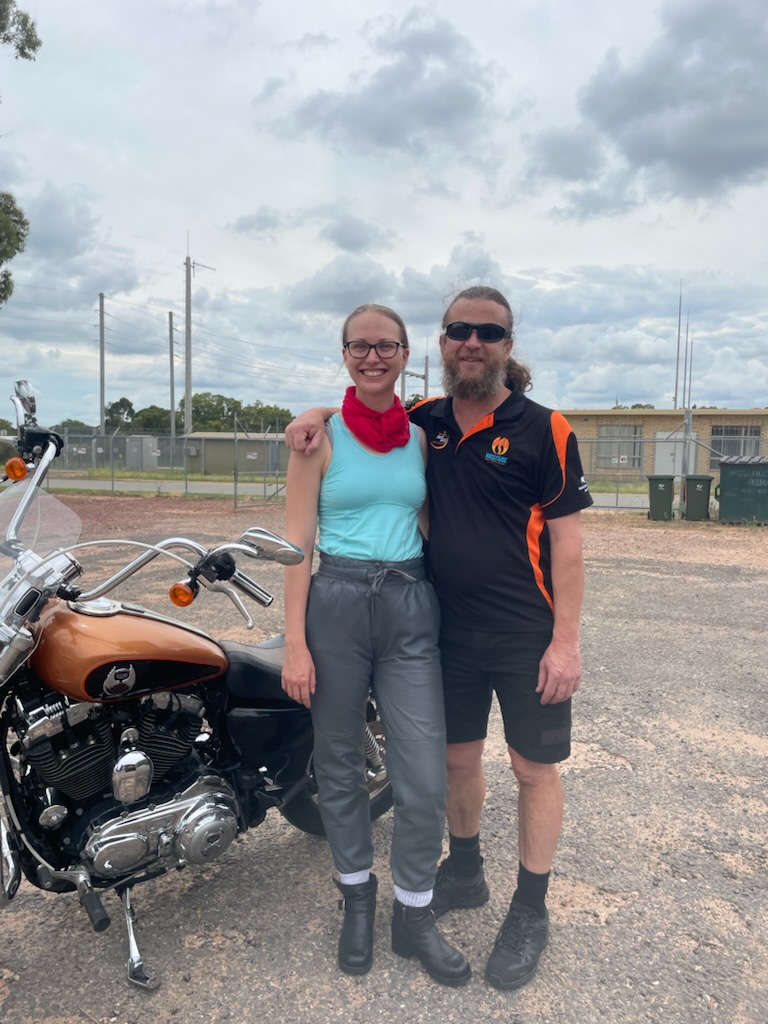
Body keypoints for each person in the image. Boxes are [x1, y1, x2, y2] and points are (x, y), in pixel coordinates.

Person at [285, 285, 593, 991]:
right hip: (430, 621)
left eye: (488, 332)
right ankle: (426, 881)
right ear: (443, 343)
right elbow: (360, 416)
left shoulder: (540, 428)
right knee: (435, 764)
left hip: (512, 628)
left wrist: (566, 640)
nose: (472, 341)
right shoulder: (426, 422)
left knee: (523, 770)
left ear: (507, 345)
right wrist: (312, 414)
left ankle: (518, 910)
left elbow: (570, 549)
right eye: (460, 329)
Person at [280, 303, 471, 987]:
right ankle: (357, 896)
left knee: (420, 774)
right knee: (338, 764)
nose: (372, 357)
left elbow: (434, 520)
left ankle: (413, 912)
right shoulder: (317, 439)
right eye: (359, 346)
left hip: (408, 604)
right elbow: (296, 546)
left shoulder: (420, 438)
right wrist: (295, 645)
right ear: (344, 354)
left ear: (404, 353)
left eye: (385, 345)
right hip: (336, 603)